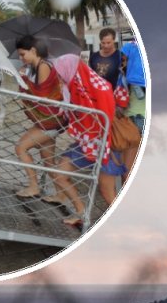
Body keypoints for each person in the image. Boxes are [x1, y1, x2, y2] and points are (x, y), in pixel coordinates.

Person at [51, 54, 123, 227]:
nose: (59, 77)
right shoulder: (72, 88)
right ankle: (82, 213)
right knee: (59, 174)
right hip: (85, 142)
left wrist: (107, 144)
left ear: (70, 70)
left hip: (107, 144)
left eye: (61, 72)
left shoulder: (99, 87)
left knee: (107, 192)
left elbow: (107, 115)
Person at [14, 35, 68, 200]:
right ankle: (60, 195)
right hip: (51, 120)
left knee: (21, 147)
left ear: (33, 50)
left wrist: (22, 79)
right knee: (48, 161)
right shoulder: (38, 67)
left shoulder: (43, 66)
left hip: (49, 121)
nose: (20, 58)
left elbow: (41, 95)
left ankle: (33, 186)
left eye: (23, 54)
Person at [120, 38, 146, 183]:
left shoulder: (133, 77)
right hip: (141, 119)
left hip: (134, 120)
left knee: (127, 172)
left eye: (125, 60)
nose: (123, 63)